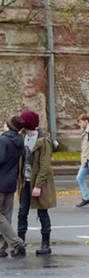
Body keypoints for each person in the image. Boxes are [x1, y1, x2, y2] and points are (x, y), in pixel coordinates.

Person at [15, 110, 56, 256]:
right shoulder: (22, 137)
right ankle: (20, 243)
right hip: (25, 182)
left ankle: (46, 244)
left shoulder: (43, 141)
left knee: (42, 212)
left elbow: (45, 166)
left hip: (39, 183)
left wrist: (38, 186)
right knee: (22, 213)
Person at [0, 115, 26, 258]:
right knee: (6, 215)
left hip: (1, 180)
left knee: (1, 216)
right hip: (11, 181)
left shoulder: (3, 140)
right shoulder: (19, 140)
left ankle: (16, 242)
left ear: (8, 126)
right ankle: (1, 247)